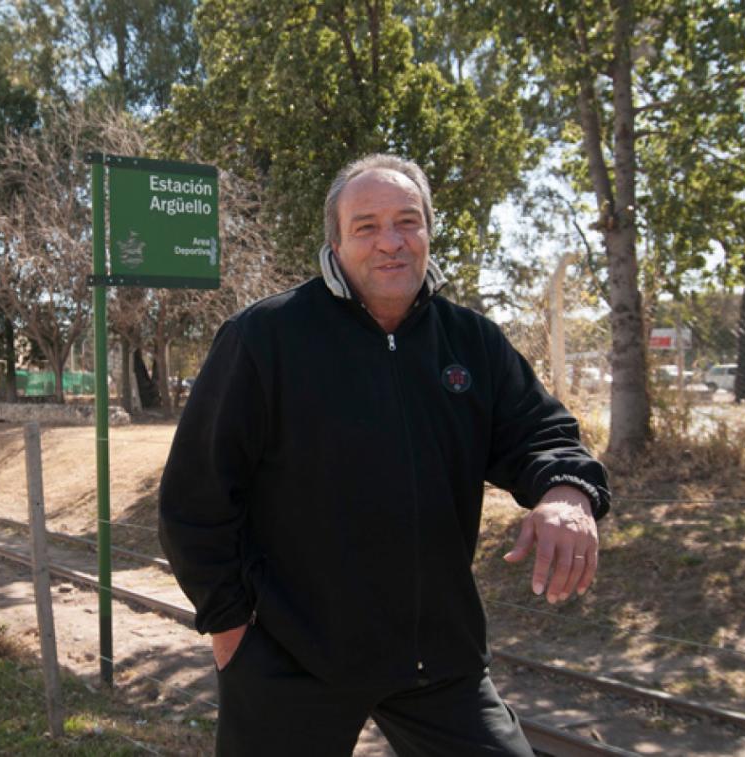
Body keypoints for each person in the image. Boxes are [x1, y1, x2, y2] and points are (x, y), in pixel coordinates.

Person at [158, 154, 610, 756]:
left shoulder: (472, 341)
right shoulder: (264, 338)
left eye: (407, 221)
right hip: (293, 660)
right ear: (336, 244)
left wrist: (566, 493)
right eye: (366, 226)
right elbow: (196, 499)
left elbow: (542, 432)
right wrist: (230, 631)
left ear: (428, 230)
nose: (390, 242)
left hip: (439, 663)